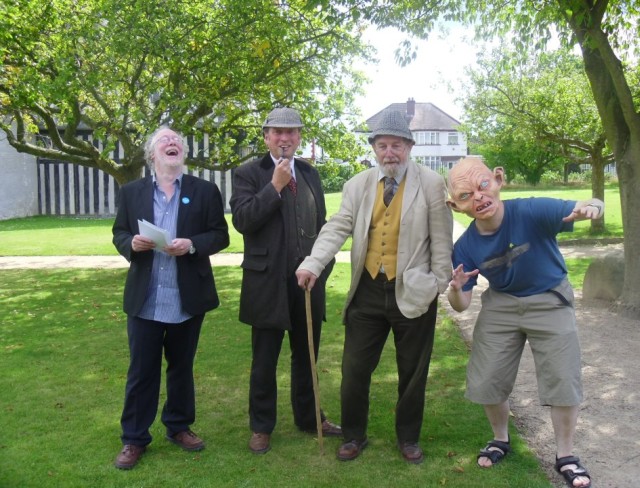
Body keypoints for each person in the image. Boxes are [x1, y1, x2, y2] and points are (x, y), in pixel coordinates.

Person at [296, 110, 453, 464]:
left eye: (396, 145)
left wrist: (437, 283)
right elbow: (337, 227)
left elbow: (442, 239)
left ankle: (408, 438)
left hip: (412, 290)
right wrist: (312, 264)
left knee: (413, 372)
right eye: (382, 146)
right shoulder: (358, 184)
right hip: (367, 290)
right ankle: (354, 435)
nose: (389, 153)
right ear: (374, 149)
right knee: (353, 369)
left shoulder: (430, 183)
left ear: (409, 147)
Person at [446, 157, 596, 488]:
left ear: (498, 180)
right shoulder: (464, 247)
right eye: (466, 194)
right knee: (487, 377)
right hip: (502, 302)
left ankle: (566, 455)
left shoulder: (530, 210)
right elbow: (461, 306)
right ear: (455, 205)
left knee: (562, 377)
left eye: (483, 185)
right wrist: (455, 289)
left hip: (549, 297)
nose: (479, 197)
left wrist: (590, 207)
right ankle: (500, 439)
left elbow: (582, 204)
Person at [111, 126, 230, 469]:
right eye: (164, 140)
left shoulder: (205, 191)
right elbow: (119, 232)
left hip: (186, 297)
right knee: (141, 371)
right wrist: (130, 244)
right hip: (145, 298)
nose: (172, 143)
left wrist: (191, 244)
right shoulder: (131, 192)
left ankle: (178, 426)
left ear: (183, 153)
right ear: (152, 155)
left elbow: (219, 235)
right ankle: (134, 438)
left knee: (181, 368)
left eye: (177, 140)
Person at [229, 107, 341, 454]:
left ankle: (309, 418)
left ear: (299, 138)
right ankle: (261, 427)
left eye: (291, 132)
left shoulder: (310, 174)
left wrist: (322, 268)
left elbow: (323, 226)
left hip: (306, 283)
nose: (284, 138)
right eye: (277, 132)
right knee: (264, 360)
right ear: (266, 137)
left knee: (306, 355)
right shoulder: (248, 173)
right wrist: (274, 187)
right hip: (266, 285)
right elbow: (244, 220)